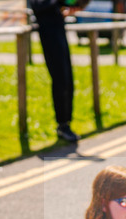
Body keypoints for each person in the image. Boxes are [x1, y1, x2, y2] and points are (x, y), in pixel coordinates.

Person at [29, 0, 85, 143]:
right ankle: (62, 124)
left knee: (68, 79)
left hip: (58, 27)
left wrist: (76, 4)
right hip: (48, 31)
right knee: (60, 78)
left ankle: (67, 122)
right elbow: (39, 5)